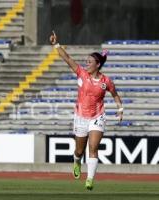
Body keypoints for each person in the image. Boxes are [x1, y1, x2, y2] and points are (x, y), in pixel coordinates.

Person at [50, 31, 123, 190]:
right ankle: (76, 162)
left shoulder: (106, 81)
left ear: (97, 64)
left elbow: (115, 95)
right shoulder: (81, 74)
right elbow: (67, 59)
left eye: (89, 61)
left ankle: (89, 179)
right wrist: (56, 43)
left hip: (98, 116)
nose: (86, 63)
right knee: (79, 150)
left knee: (93, 148)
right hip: (81, 117)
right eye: (86, 61)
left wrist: (120, 109)